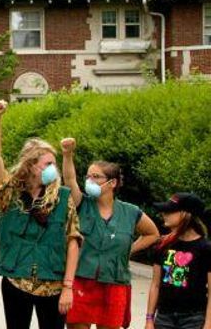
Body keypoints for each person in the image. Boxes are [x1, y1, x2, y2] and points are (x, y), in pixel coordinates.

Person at [0, 99, 79, 329]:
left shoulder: (63, 197)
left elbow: (73, 242)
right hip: (17, 280)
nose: (52, 169)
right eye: (47, 163)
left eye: (54, 164)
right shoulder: (10, 194)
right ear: (31, 166)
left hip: (54, 284)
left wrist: (68, 287)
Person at [60, 138, 160, 329]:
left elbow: (153, 234)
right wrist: (67, 154)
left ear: (112, 183)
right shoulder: (82, 204)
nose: (90, 181)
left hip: (115, 282)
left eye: (96, 177)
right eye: (88, 176)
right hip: (82, 280)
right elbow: (70, 179)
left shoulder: (130, 212)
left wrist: (128, 249)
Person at [146, 193, 211, 329]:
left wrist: (208, 324)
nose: (164, 214)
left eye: (170, 211)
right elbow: (155, 285)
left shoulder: (205, 248)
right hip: (164, 317)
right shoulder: (163, 244)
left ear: (186, 214)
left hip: (193, 318)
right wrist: (149, 319)